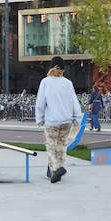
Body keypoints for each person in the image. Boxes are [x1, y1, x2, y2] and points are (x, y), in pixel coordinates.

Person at [35, 55, 81, 184]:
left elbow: (40, 103)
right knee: (62, 146)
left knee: (51, 146)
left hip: (52, 121)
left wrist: (40, 119)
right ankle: (60, 167)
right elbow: (74, 101)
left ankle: (55, 169)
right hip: (66, 120)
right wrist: (77, 118)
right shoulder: (68, 83)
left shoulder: (46, 82)